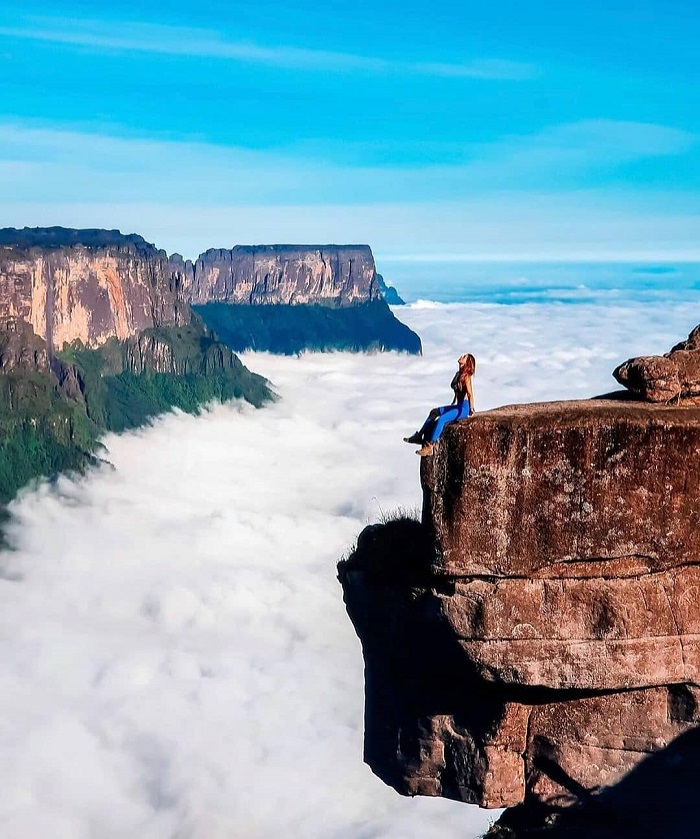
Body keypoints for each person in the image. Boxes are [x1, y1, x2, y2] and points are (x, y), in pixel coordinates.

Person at [404, 353, 475, 456]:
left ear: (467, 363)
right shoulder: (458, 374)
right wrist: (454, 402)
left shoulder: (466, 376)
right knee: (434, 412)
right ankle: (420, 435)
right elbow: (458, 391)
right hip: (458, 405)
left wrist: (471, 408)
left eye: (464, 357)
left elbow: (469, 393)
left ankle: (430, 446)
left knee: (442, 419)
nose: (461, 356)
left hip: (464, 408)